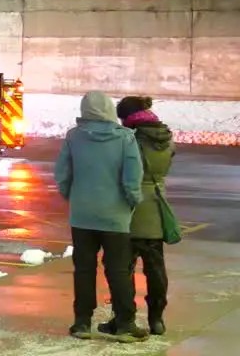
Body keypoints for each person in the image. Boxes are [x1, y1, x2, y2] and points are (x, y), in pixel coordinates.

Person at [54, 91, 148, 342]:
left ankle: (82, 322)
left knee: (83, 270)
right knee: (118, 270)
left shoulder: (74, 137)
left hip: (82, 217)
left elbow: (62, 174)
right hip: (115, 217)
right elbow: (132, 178)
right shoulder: (125, 138)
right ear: (108, 109)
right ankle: (125, 323)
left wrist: (74, 198)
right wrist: (131, 203)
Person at [117, 95, 175, 336]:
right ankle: (157, 319)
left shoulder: (129, 140)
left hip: (130, 211)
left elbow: (122, 173)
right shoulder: (167, 138)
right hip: (155, 208)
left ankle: (125, 317)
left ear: (128, 118)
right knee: (156, 269)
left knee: (122, 269)